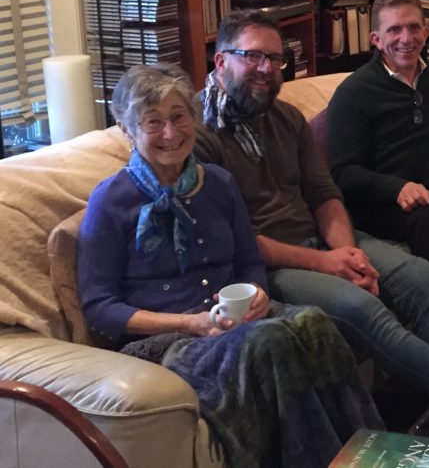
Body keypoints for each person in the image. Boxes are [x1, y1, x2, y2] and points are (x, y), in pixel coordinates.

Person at [78, 64, 381, 468]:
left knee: (313, 322)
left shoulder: (218, 183)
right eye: (153, 123)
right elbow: (99, 307)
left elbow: (249, 261)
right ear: (128, 131)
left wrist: (257, 292)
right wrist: (189, 323)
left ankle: (378, 455)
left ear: (193, 118)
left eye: (179, 117)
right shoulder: (111, 201)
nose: (171, 133)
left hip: (231, 323)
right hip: (167, 340)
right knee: (268, 342)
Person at [193, 10, 429, 398]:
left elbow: (324, 193)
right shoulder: (194, 134)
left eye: (274, 59)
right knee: (362, 307)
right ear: (221, 60)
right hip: (266, 264)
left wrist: (346, 252)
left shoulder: (287, 117)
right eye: (253, 56)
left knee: (422, 278)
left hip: (321, 239)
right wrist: (326, 263)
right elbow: (234, 241)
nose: (266, 68)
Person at [326, 0, 429, 330]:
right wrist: (397, 188)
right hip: (380, 205)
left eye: (413, 28)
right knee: (427, 220)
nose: (406, 39)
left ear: (426, 32)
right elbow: (340, 172)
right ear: (376, 39)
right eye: (395, 30)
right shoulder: (354, 93)